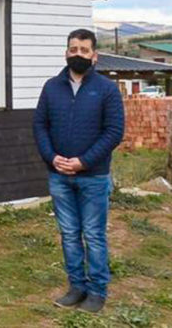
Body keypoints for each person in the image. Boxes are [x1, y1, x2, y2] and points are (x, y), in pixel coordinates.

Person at [34, 29, 124, 314]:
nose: (78, 54)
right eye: (73, 49)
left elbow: (114, 132)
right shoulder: (52, 87)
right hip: (59, 175)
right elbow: (40, 125)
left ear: (94, 56)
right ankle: (77, 287)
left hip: (93, 176)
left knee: (94, 235)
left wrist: (83, 162)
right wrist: (52, 158)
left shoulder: (107, 89)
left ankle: (97, 291)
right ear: (66, 53)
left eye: (84, 50)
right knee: (69, 233)